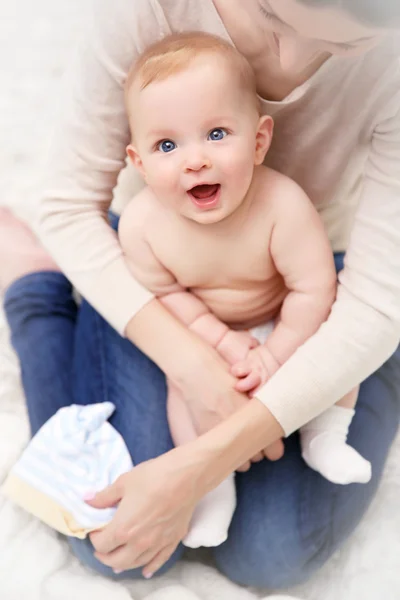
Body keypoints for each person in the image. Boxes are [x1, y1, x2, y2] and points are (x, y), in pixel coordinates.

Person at [1, 0, 400, 589]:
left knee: (275, 553)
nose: (290, 60)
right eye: (274, 21)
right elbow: (67, 205)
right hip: (162, 274)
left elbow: (370, 301)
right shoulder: (150, 11)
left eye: (340, 47)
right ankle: (37, 293)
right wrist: (199, 366)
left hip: (311, 282)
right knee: (106, 529)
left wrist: (215, 449)